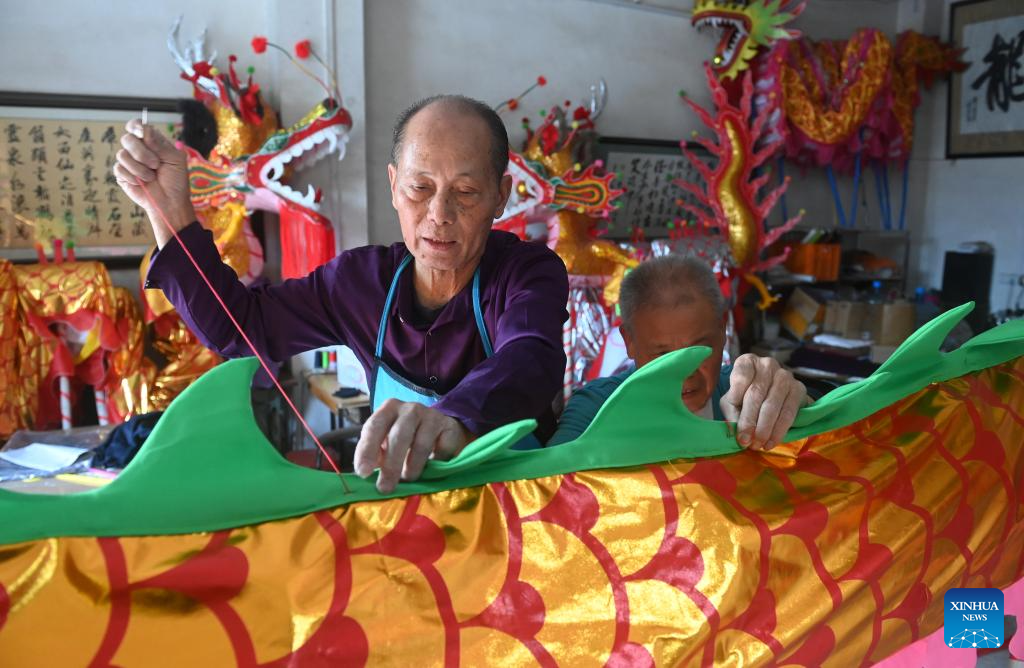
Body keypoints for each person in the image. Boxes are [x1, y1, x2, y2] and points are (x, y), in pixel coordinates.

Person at [114, 94, 569, 493]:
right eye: (420, 188)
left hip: (519, 517)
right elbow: (241, 328)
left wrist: (454, 421)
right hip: (411, 519)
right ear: (394, 186)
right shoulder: (362, 284)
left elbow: (530, 356)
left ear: (500, 195)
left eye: (465, 191)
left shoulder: (526, 273)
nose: (439, 213)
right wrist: (171, 210)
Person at [548, 255, 808, 450]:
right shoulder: (596, 408)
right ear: (630, 342)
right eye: (664, 356)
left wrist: (795, 402)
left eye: (698, 350)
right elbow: (550, 483)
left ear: (722, 331)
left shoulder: (746, 390)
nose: (685, 374)